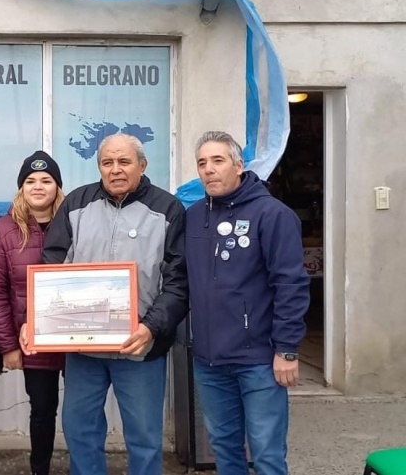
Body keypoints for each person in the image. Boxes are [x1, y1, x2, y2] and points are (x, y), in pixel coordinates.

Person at [38, 133, 188, 475]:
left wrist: (151, 327)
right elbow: (52, 266)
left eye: (124, 162)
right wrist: (46, 319)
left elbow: (179, 282)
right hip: (84, 351)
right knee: (80, 431)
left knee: (145, 437)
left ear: (142, 165)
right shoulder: (76, 204)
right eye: (107, 162)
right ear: (99, 167)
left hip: (139, 347)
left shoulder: (168, 210)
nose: (115, 170)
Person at [186, 131, 310, 475]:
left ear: (239, 165)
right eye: (202, 163)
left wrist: (286, 349)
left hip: (258, 358)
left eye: (218, 160)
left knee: (267, 451)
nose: (209, 169)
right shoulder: (194, 216)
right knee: (224, 447)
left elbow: (291, 284)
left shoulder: (273, 214)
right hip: (209, 360)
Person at [0, 151, 65, 475]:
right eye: (30, 181)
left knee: (81, 411)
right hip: (32, 341)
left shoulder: (74, 222)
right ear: (21, 188)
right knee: (42, 410)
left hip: (78, 338)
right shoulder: (4, 230)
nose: (38, 186)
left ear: (57, 187)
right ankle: (40, 469)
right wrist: (8, 346)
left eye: (46, 180)